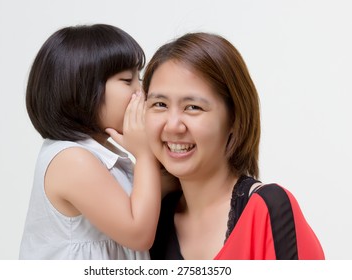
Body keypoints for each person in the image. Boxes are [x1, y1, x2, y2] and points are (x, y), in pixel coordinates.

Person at [143, 32, 325, 260]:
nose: (173, 126)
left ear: (233, 119)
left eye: (193, 107)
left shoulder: (269, 208)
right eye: (159, 104)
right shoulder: (146, 223)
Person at [19, 24, 161, 259]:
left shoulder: (104, 153)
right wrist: (145, 156)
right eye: (128, 81)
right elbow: (138, 234)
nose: (141, 92)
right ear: (82, 90)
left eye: (140, 78)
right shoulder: (71, 159)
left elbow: (146, 197)